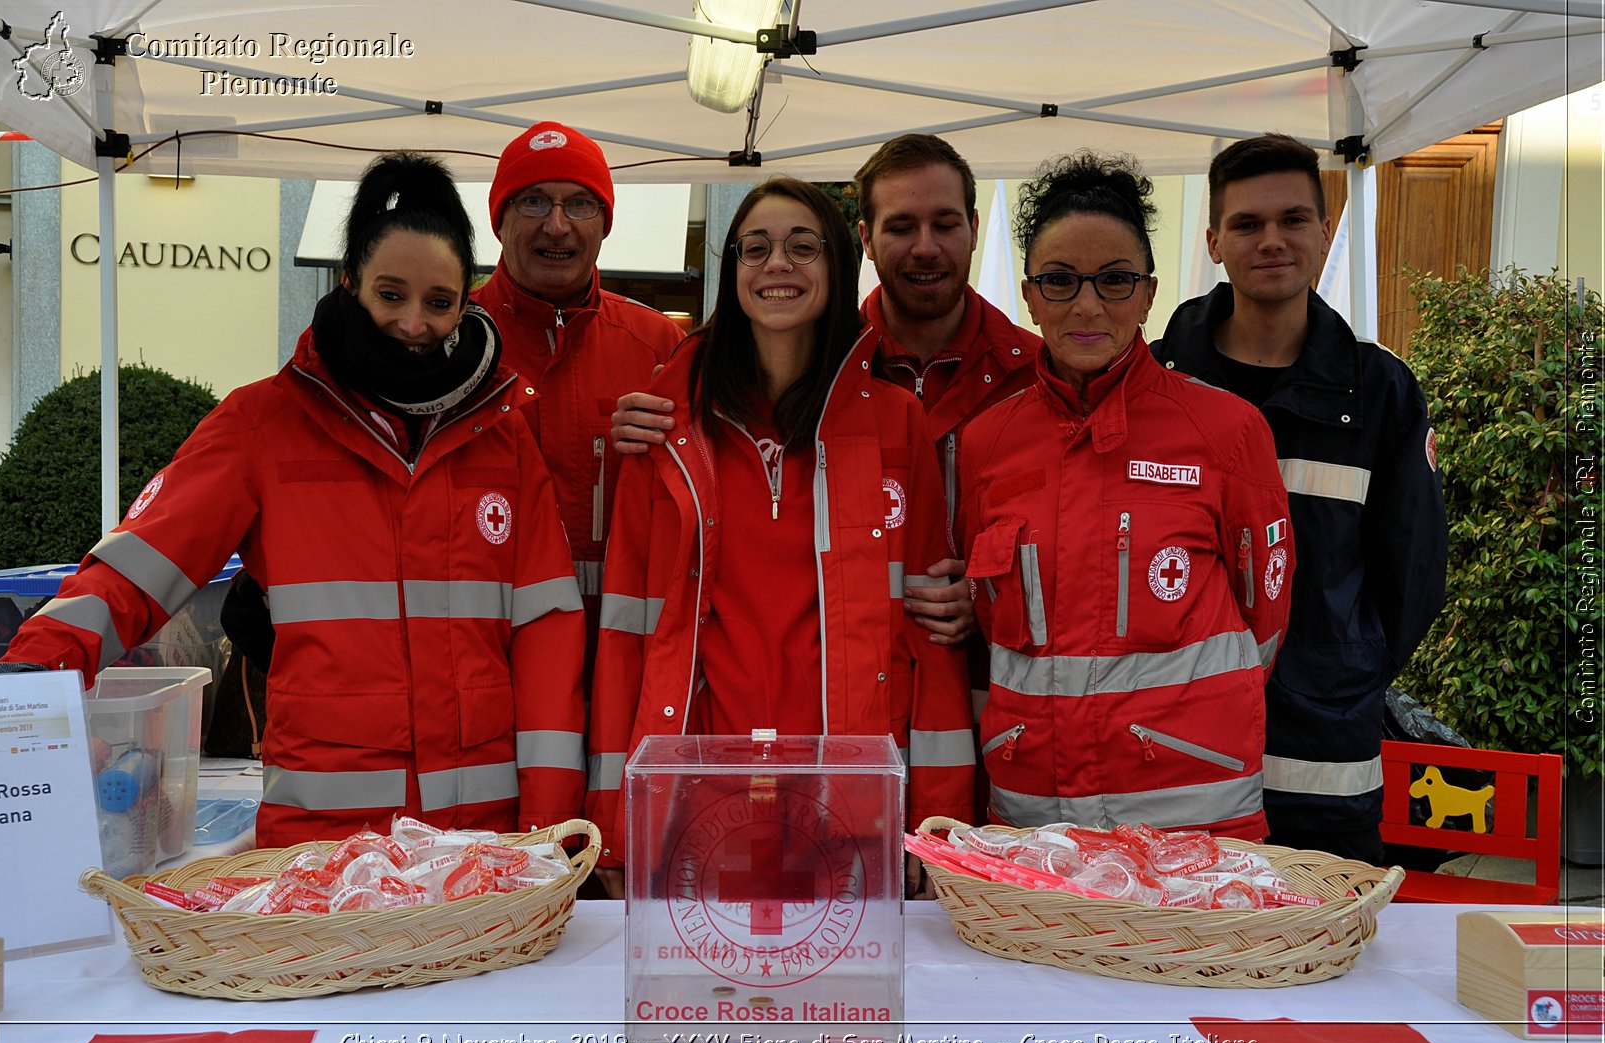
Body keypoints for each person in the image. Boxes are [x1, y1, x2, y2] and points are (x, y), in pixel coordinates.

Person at [0, 154, 587, 848]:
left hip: (482, 853)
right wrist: (31, 674)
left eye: (439, 301)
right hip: (321, 853)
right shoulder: (265, 425)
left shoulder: (504, 440)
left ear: (467, 303)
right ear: (349, 283)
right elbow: (138, 568)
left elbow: (548, 634)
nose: (414, 322)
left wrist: (550, 835)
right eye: (390, 294)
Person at [586, 177, 974, 890]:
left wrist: (939, 824)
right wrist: (615, 826)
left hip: (851, 805)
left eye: (804, 247)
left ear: (838, 268)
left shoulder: (895, 423)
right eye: (755, 248)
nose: (778, 265)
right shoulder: (666, 430)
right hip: (697, 798)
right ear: (731, 269)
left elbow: (931, 634)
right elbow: (625, 638)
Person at [958, 151, 1292, 838]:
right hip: (1034, 814)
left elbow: (1264, 622)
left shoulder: (1226, 430)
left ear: (1148, 293)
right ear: (1028, 293)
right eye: (1059, 280)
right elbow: (992, 622)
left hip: (1190, 808)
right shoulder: (987, 442)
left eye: (1114, 281)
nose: (1086, 305)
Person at [610, 135, 1037, 651]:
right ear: (867, 240)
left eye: (945, 224)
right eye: (901, 226)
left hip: (1006, 685)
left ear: (973, 228)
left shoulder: (1035, 375)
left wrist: (988, 589)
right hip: (865, 677)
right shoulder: (824, 379)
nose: (926, 246)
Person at [1152, 133, 1447, 863]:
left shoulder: (1382, 393)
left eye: (1292, 220)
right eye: (1248, 224)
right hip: (1171, 745)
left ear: (1323, 231)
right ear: (1215, 240)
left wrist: (1342, 668)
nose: (1272, 240)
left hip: (1325, 761)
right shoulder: (1156, 381)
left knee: (1327, 962)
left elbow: (1413, 575)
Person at [472, 122, 685, 686]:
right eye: (534, 201)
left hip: (622, 667)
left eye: (580, 204)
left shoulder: (660, 347)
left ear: (605, 224)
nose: (557, 225)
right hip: (482, 663)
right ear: (499, 220)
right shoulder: (451, 342)